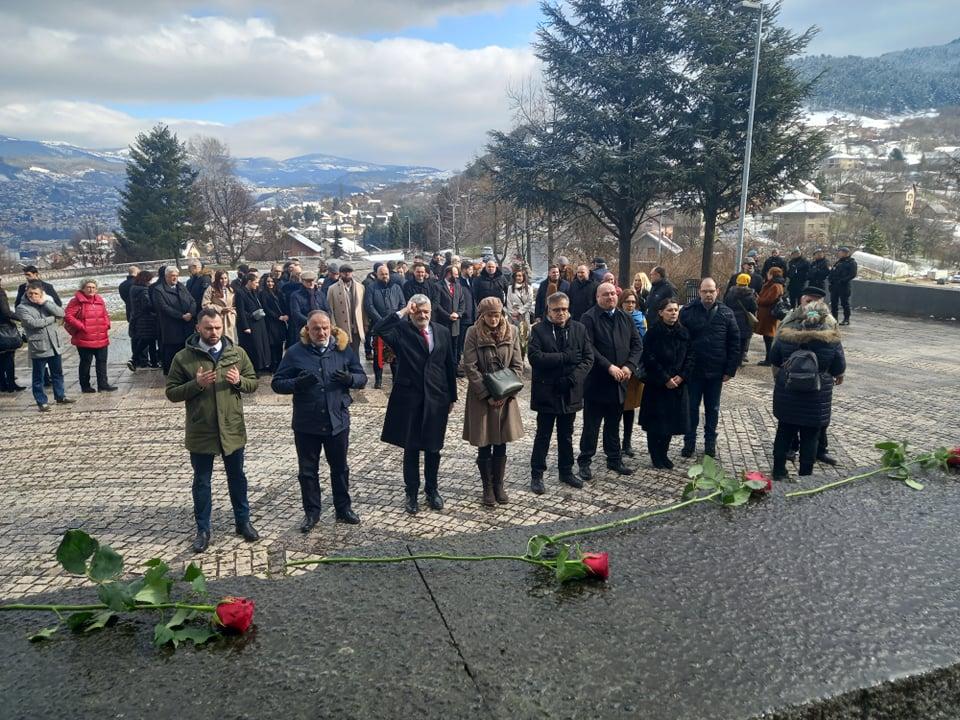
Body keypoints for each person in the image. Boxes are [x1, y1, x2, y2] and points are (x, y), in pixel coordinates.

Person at [165, 308, 260, 553]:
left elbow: (253, 382)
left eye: (217, 327)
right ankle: (203, 529)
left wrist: (239, 381)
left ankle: (243, 522)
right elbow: (172, 392)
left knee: (237, 477)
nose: (214, 332)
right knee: (202, 481)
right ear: (198, 328)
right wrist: (195, 385)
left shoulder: (236, 353)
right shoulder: (183, 358)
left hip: (232, 427)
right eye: (208, 328)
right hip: (201, 429)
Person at [272, 310, 366, 529]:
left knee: (340, 468)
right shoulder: (295, 352)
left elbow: (361, 377)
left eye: (324, 327)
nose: (321, 332)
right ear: (307, 330)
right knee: (307, 471)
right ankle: (312, 512)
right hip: (307, 422)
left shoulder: (344, 350)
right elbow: (277, 383)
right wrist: (297, 383)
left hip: (337, 421)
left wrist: (350, 378)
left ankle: (343, 508)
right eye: (316, 328)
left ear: (331, 327)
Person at [372, 295, 458, 514]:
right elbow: (379, 329)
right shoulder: (401, 331)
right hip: (410, 399)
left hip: (436, 398)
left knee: (433, 448)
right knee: (411, 449)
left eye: (426, 311)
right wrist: (401, 311)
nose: (423, 315)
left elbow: (449, 365)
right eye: (418, 311)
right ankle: (411, 493)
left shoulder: (442, 332)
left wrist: (452, 397)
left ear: (431, 311)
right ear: (412, 311)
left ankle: (432, 490)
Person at [769, 295, 845, 480]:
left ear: (801, 316)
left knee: (784, 432)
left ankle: (779, 471)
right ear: (823, 317)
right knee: (810, 437)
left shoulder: (786, 336)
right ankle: (805, 475)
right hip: (816, 397)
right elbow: (838, 368)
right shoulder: (832, 341)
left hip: (788, 394)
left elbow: (774, 358)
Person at [527, 291, 594, 493]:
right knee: (543, 435)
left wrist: (573, 379)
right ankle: (537, 474)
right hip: (547, 390)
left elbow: (587, 359)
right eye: (557, 310)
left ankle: (566, 471)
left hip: (570, 391)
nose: (561, 313)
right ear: (549, 310)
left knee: (566, 435)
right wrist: (563, 357)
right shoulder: (539, 331)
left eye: (564, 309)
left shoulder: (579, 329)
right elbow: (535, 358)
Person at [461, 297, 525, 506]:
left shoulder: (512, 331)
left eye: (497, 314)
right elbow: (470, 367)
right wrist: (488, 395)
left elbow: (517, 365)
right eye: (490, 315)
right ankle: (487, 487)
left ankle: (499, 485)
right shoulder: (473, 332)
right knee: (484, 441)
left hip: (505, 395)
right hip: (482, 398)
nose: (494, 319)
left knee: (501, 442)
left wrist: (505, 394)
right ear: (482, 315)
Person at [577, 282, 643, 480]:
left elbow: (637, 345)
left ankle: (614, 459)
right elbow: (589, 348)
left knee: (614, 424)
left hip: (620, 382)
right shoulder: (588, 318)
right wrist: (609, 367)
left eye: (613, 294)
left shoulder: (625, 317)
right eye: (605, 295)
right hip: (597, 381)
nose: (610, 297)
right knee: (592, 426)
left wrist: (629, 366)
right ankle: (585, 461)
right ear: (597, 297)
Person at [679, 278, 740, 458]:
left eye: (711, 291)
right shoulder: (688, 312)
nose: (708, 294)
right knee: (691, 408)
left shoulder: (727, 313)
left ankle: (710, 442)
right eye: (705, 291)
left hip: (716, 371)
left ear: (717, 291)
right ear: (699, 292)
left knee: (712, 409)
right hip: (694, 371)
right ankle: (689, 442)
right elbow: (681, 341)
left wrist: (730, 370)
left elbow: (734, 343)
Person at [638, 298, 693, 469]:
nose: (673, 313)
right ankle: (656, 454)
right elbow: (648, 358)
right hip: (657, 385)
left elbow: (691, 357)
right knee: (656, 423)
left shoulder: (684, 332)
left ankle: (664, 453)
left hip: (677, 385)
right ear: (661, 312)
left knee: (671, 422)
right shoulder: (653, 333)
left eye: (676, 310)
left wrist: (681, 376)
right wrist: (665, 378)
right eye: (669, 310)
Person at [15, 281, 74, 411]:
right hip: (39, 346)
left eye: (36, 293)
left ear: (41, 293)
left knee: (57, 373)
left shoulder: (46, 303)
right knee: (39, 377)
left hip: (54, 344)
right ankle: (41, 401)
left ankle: (60, 396)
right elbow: (33, 323)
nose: (33, 296)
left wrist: (45, 303)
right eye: (30, 293)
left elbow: (61, 313)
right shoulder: (22, 308)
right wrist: (52, 319)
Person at [64, 278, 117, 393]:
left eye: (93, 287)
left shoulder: (99, 299)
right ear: (83, 289)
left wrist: (107, 324)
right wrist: (81, 326)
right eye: (88, 287)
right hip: (84, 338)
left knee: (102, 362)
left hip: (101, 336)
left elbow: (105, 313)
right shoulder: (76, 301)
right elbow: (68, 316)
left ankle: (103, 384)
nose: (91, 289)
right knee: (86, 363)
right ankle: (85, 385)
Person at [364, 264, 406, 389]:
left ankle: (396, 379)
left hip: (395, 327)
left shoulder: (396, 287)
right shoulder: (371, 287)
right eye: (382, 274)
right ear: (377, 275)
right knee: (378, 355)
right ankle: (378, 380)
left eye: (386, 274)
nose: (385, 276)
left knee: (395, 354)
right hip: (379, 327)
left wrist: (397, 320)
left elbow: (402, 304)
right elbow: (369, 306)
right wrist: (382, 321)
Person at [618, 289, 646, 458]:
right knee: (616, 408)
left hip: (634, 367)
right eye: (627, 302)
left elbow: (643, 342)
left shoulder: (641, 318)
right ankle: (613, 443)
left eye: (633, 302)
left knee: (629, 408)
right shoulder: (617, 318)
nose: (630, 305)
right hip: (618, 367)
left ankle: (626, 443)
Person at [154, 266, 197, 375]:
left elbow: (192, 301)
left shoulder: (181, 286)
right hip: (172, 327)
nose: (175, 278)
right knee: (172, 352)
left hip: (186, 325)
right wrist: (181, 316)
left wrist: (191, 313)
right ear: (166, 277)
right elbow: (164, 307)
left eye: (176, 276)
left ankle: (186, 372)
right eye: (172, 276)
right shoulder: (159, 290)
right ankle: (172, 373)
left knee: (186, 351)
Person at [326, 263, 365, 360]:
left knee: (355, 354)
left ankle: (356, 373)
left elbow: (363, 309)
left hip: (356, 327)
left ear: (352, 273)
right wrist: (333, 327)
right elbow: (329, 309)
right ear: (340, 273)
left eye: (349, 272)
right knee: (342, 353)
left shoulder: (361, 287)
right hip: (341, 327)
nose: (347, 274)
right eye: (344, 272)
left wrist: (365, 324)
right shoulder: (332, 289)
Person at [235, 272, 271, 375]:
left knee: (261, 345)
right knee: (253, 347)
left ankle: (261, 365)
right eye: (255, 282)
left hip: (259, 322)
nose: (257, 284)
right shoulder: (240, 293)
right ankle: (253, 369)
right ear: (249, 282)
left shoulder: (254, 292)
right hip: (250, 323)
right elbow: (241, 311)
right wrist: (246, 326)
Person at [434, 264, 468, 368]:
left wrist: (458, 314)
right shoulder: (438, 286)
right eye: (455, 274)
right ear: (448, 274)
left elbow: (462, 302)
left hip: (456, 323)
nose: (457, 277)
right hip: (443, 323)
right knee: (444, 347)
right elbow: (436, 304)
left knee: (455, 346)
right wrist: (448, 315)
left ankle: (454, 367)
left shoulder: (458, 286)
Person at [724, 273, 758, 365]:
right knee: (742, 342)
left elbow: (725, 304)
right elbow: (754, 308)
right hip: (744, 321)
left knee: (731, 340)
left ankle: (729, 359)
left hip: (732, 319)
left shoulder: (730, 293)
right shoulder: (750, 295)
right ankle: (739, 361)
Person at [128, 270, 160, 370]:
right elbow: (147, 305)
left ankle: (154, 362)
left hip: (138, 318)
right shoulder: (143, 290)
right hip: (147, 319)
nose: (150, 282)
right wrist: (155, 309)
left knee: (149, 340)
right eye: (149, 280)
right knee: (146, 340)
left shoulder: (133, 288)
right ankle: (134, 359)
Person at [288, 271, 330, 345]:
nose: (311, 283)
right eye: (308, 281)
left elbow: (327, 309)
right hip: (304, 329)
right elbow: (296, 313)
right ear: (302, 281)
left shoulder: (320, 294)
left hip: (321, 328)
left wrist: (324, 321)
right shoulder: (296, 296)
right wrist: (310, 323)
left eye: (312, 281)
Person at [756, 267, 786, 366]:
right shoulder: (773, 285)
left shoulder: (775, 286)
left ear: (772, 274)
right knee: (767, 337)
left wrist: (758, 300)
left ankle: (769, 359)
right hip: (767, 314)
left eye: (769, 273)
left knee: (769, 338)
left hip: (769, 315)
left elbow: (769, 300)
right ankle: (768, 358)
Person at [0, 275, 26, 392]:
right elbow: (6, 312)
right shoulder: (0, 292)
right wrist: (20, 318)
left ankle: (2, 384)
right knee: (9, 356)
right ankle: (11, 384)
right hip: (4, 328)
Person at [259, 274, 288, 373]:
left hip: (281, 322)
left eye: (272, 281)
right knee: (272, 344)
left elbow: (283, 305)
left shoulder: (278, 292)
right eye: (268, 281)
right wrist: (278, 317)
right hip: (271, 322)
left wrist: (286, 315)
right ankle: (273, 366)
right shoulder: (263, 293)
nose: (270, 283)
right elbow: (266, 308)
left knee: (280, 344)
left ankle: (280, 365)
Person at [202, 270, 238, 344]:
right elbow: (205, 304)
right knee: (220, 341)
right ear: (217, 279)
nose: (224, 280)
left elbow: (234, 304)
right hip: (217, 318)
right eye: (221, 278)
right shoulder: (211, 289)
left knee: (232, 342)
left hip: (230, 320)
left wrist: (233, 312)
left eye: (225, 278)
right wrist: (220, 309)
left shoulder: (230, 289)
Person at [828, 246, 858, 326]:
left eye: (841, 252)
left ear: (846, 253)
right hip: (834, 286)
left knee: (845, 303)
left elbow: (852, 274)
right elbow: (832, 272)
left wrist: (842, 280)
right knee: (834, 303)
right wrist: (830, 280)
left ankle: (846, 319)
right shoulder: (838, 262)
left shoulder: (851, 262)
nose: (839, 254)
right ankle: (834, 319)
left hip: (844, 286)